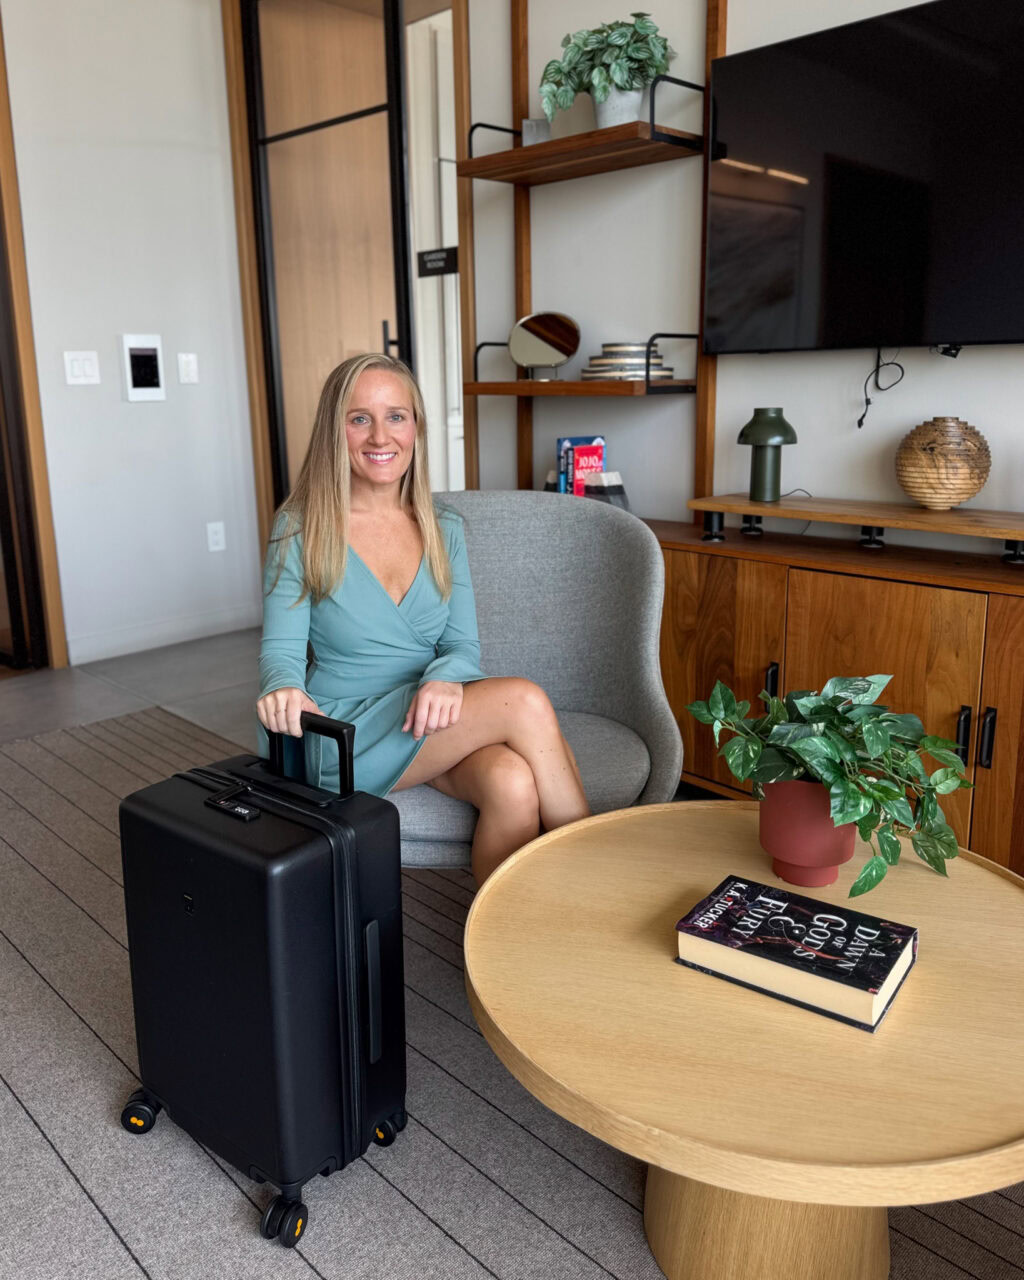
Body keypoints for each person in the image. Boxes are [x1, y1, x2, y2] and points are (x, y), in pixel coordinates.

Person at [256, 352, 590, 884]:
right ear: (334, 431)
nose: (379, 437)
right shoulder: (300, 528)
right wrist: (282, 689)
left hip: (428, 717)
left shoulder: (443, 526)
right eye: (359, 418)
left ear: (416, 427)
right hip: (348, 730)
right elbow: (281, 653)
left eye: (396, 416)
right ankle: (599, 882)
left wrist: (443, 677)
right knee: (523, 700)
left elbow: (462, 647)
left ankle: (499, 953)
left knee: (512, 782)